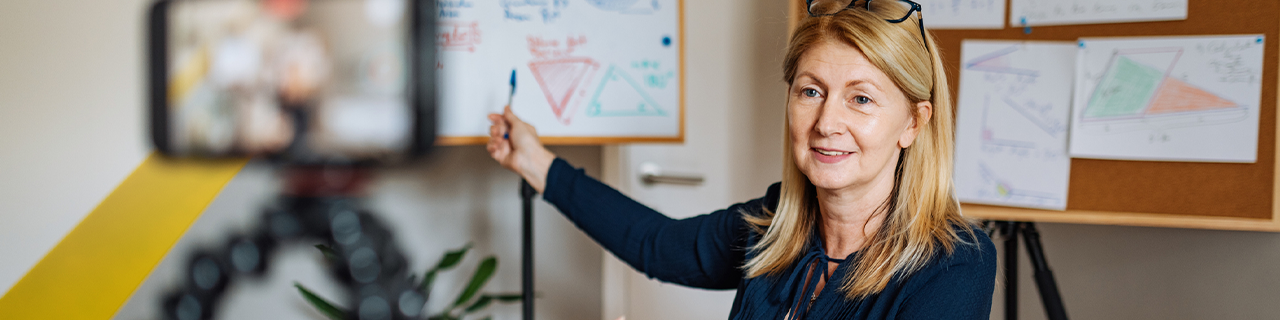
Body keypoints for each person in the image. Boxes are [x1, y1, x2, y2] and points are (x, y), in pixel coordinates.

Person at [486, 0, 995, 318]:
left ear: (913, 122)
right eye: (811, 91)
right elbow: (656, 245)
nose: (826, 123)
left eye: (861, 98)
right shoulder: (773, 226)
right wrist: (535, 161)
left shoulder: (954, 263)